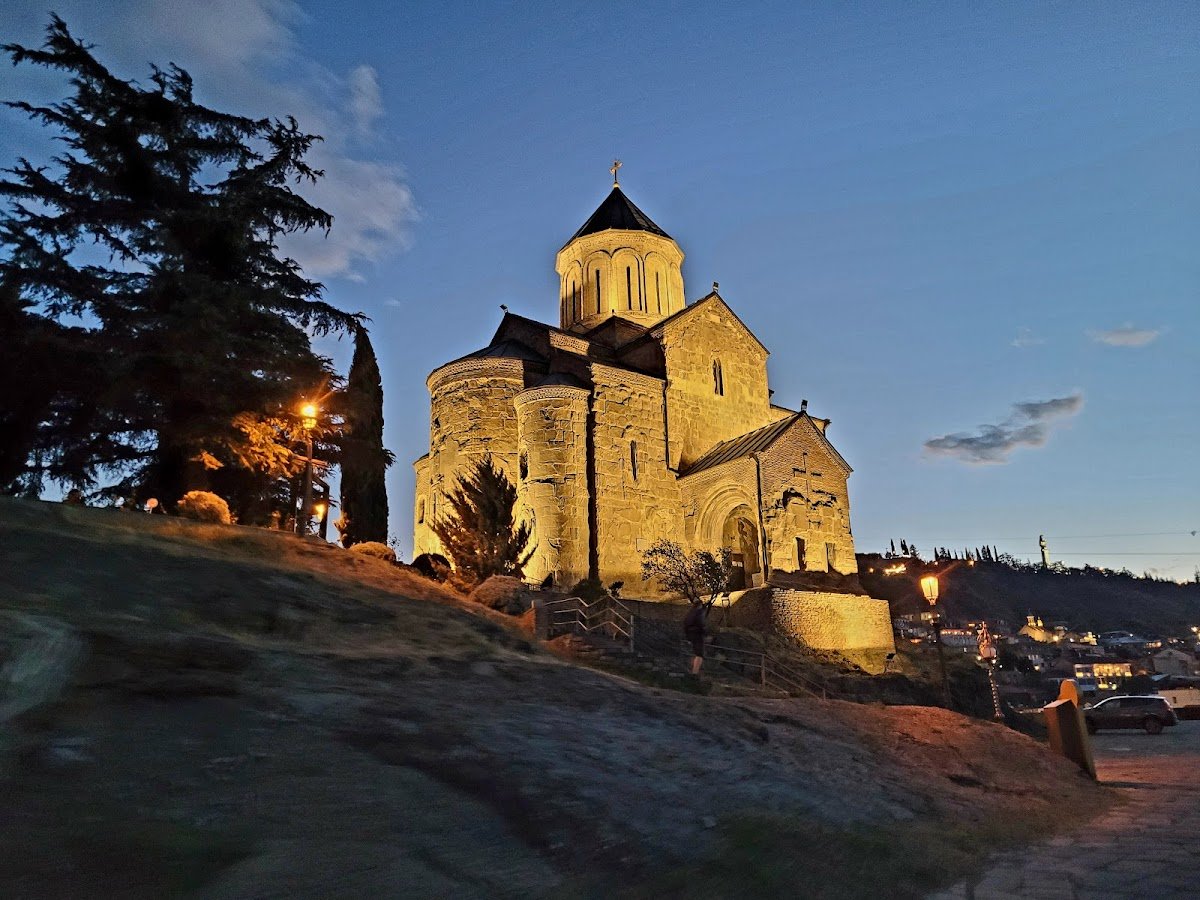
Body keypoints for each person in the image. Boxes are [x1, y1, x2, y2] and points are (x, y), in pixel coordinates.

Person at [683, 597, 707, 675]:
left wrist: (687, 636)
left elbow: (685, 624)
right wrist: (705, 633)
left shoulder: (689, 613)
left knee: (695, 653)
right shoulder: (699, 612)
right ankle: (694, 672)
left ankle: (693, 671)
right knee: (699, 654)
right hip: (697, 635)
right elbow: (701, 624)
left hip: (691, 635)